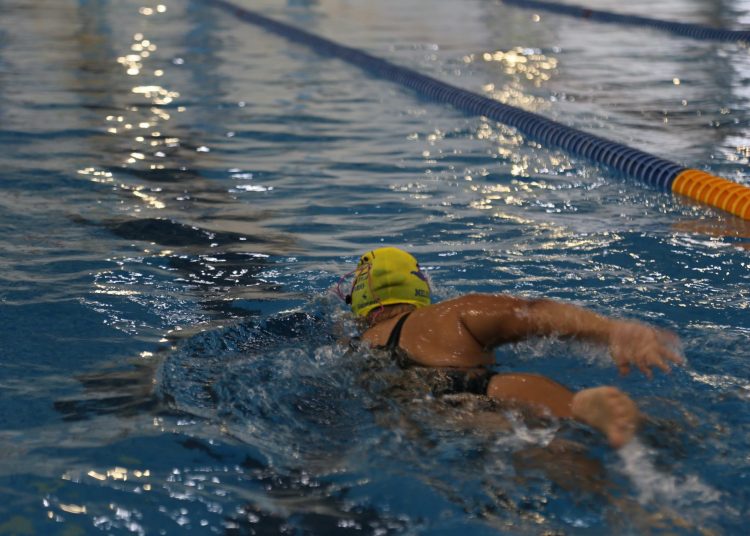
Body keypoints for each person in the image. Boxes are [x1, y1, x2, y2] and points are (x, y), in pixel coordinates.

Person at [339, 246, 684, 448]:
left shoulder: (355, 345)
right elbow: (531, 313)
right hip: (491, 389)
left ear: (365, 302)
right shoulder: (447, 315)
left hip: (418, 414)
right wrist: (611, 330)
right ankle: (579, 409)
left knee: (512, 441)